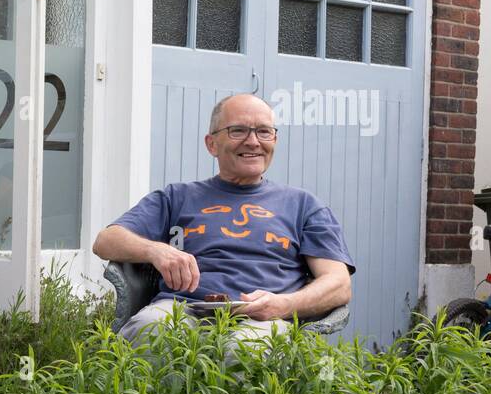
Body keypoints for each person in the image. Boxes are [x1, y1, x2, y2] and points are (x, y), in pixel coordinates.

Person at [92, 93, 354, 345]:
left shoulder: (304, 205)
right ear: (211, 144)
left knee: (245, 349)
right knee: (147, 329)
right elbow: (106, 241)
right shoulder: (177, 197)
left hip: (264, 319)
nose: (253, 141)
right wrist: (156, 250)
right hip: (182, 308)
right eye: (238, 130)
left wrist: (285, 305)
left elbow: (339, 284)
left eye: (264, 131)